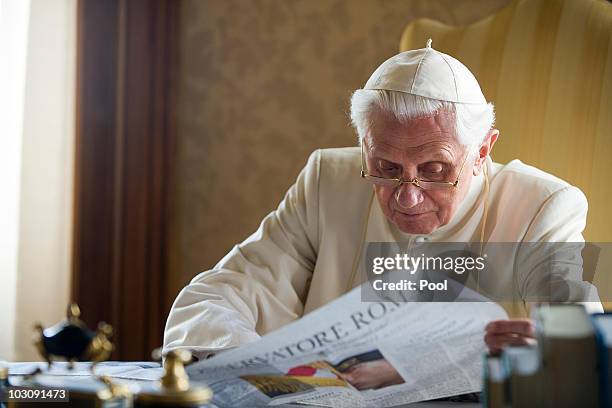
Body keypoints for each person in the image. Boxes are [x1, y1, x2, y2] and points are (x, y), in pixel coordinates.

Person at [163, 40, 602, 369]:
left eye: (434, 169)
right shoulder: (327, 182)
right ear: (363, 145)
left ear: (483, 151)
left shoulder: (542, 206)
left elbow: (579, 333)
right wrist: (249, 366)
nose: (407, 197)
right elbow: (218, 295)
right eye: (385, 167)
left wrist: (551, 353)